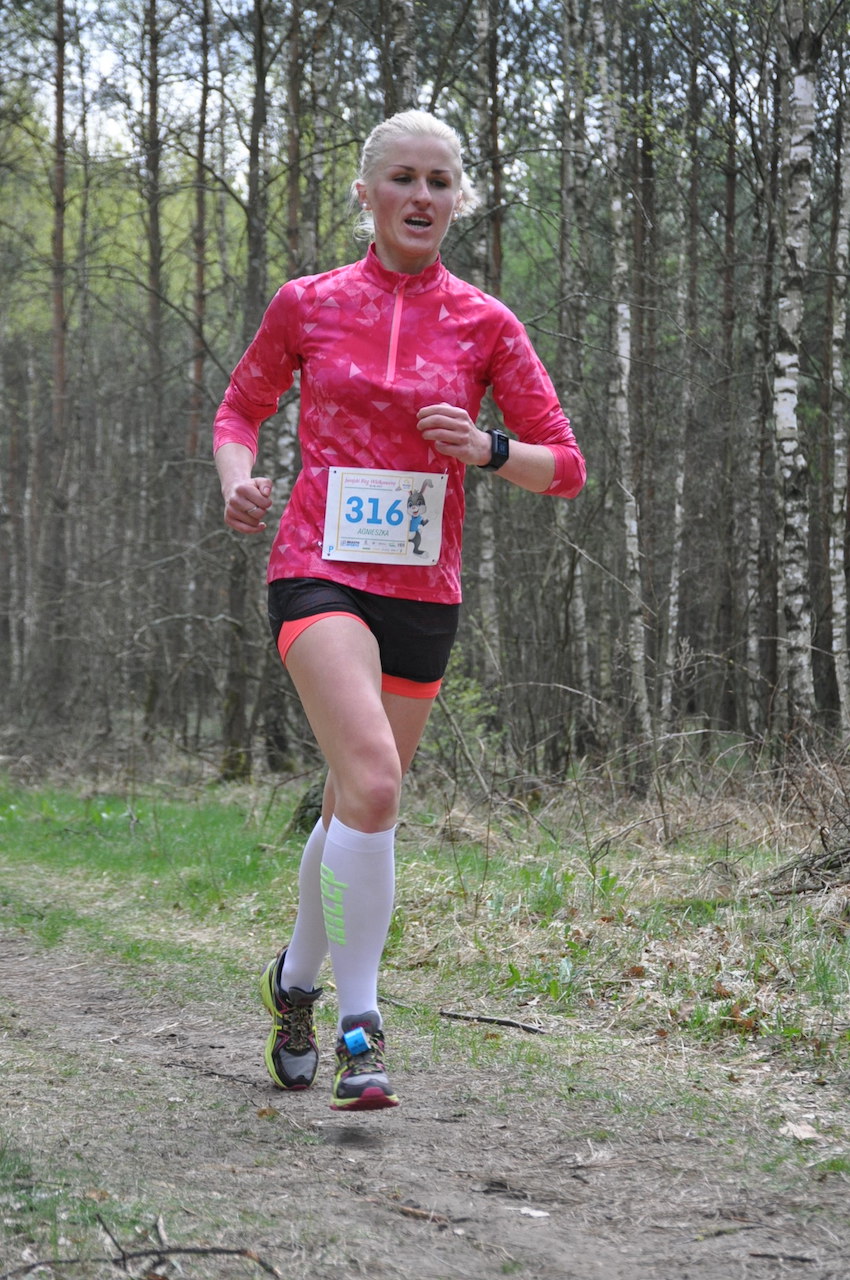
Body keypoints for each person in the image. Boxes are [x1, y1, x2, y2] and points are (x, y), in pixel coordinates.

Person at [213, 109, 586, 1112]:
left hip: (422, 590)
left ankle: (294, 982)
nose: (422, 196)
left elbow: (567, 467)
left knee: (354, 802)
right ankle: (361, 1025)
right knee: (376, 783)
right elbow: (240, 408)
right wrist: (238, 482)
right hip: (318, 568)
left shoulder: (485, 323)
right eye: (404, 178)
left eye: (439, 181)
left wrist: (488, 449)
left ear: (459, 200)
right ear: (368, 193)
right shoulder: (308, 303)